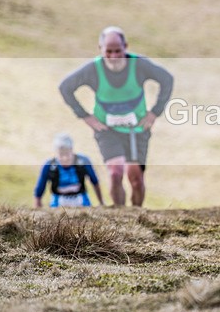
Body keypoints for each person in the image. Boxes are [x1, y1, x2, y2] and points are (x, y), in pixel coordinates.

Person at [59, 27, 174, 207]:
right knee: (115, 171)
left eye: (118, 51)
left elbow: (167, 79)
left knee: (135, 177)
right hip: (107, 130)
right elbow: (65, 87)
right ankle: (120, 215)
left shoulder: (139, 65)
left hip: (137, 129)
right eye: (108, 51)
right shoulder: (93, 69)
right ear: (101, 49)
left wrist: (154, 113)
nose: (113, 56)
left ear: (125, 47)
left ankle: (137, 213)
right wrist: (85, 116)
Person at [34, 133, 104, 208]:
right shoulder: (49, 165)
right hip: (58, 202)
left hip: (81, 200)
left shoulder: (83, 161)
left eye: (67, 153)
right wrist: (37, 205)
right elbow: (40, 187)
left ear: (71, 150)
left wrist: (101, 203)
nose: (65, 158)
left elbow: (95, 182)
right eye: (61, 154)